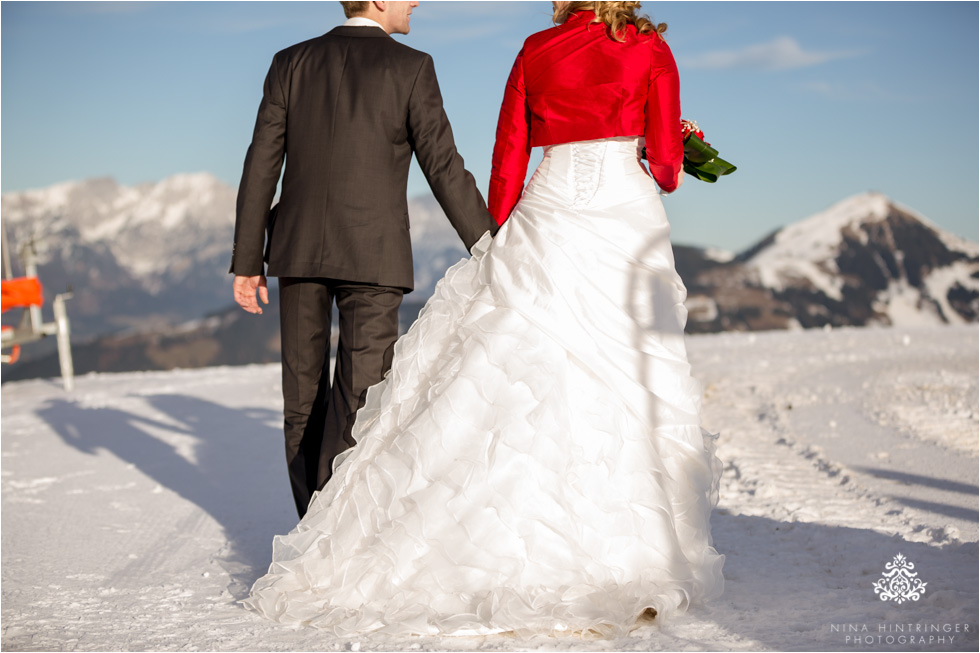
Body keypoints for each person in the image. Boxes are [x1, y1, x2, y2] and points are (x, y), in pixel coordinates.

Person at [243, 0, 725, 637]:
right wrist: (486, 242)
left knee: (311, 395)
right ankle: (342, 526)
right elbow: (659, 163)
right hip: (586, 224)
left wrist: (504, 240)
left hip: (337, 243)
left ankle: (320, 527)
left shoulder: (530, 50)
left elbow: (506, 159)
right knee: (369, 392)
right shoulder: (646, 48)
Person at [230, 0, 498, 519]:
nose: (416, 2)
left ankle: (311, 524)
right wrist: (489, 247)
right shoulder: (411, 66)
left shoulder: (290, 61)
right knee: (359, 401)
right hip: (375, 256)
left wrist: (248, 259)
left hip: (298, 249)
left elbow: (261, 161)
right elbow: (443, 165)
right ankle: (329, 535)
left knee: (301, 400)